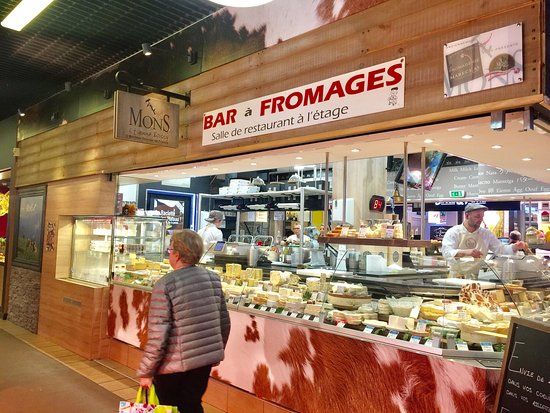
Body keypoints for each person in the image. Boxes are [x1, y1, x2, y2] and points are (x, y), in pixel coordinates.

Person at [137, 229, 231, 413]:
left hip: (174, 365)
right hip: (203, 362)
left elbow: (158, 335)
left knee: (170, 407)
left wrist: (146, 371)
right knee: (192, 404)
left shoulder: (165, 284)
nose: (169, 253)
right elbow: (224, 321)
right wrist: (215, 352)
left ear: (177, 254)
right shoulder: (213, 278)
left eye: (169, 249)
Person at [441, 203, 528, 278]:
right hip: (457, 277)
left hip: (478, 276)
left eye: (482, 217)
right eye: (477, 216)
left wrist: (515, 247)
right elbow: (447, 252)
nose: (480, 220)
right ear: (467, 216)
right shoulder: (453, 232)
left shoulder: (486, 234)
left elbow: (500, 250)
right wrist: (466, 252)